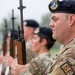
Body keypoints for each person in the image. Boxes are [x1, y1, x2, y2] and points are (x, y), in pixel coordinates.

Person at [44, 0, 75, 75]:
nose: (50, 24)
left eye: (55, 19)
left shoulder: (72, 53)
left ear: (71, 20)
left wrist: (22, 72)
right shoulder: (67, 48)